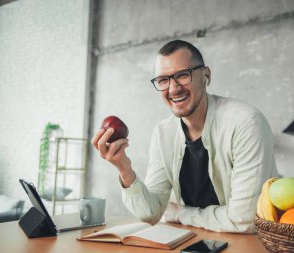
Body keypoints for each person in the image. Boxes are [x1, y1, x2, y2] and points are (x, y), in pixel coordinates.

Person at [92, 40, 278, 233]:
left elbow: (244, 219)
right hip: (192, 238)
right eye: (163, 80)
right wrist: (124, 168)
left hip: (247, 244)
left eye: (182, 75)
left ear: (206, 75)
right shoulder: (163, 132)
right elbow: (151, 213)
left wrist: (182, 214)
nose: (173, 89)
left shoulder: (245, 122)